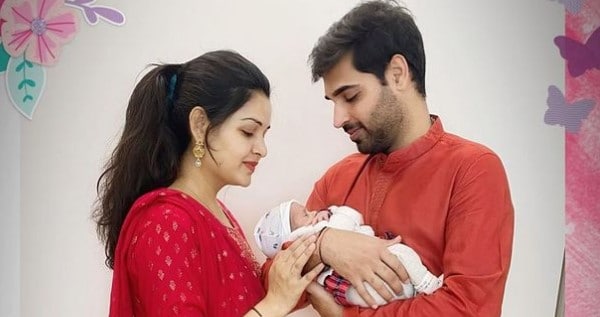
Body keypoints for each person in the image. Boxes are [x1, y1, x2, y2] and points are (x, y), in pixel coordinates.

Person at [301, 1, 515, 316]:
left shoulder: (473, 170)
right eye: (333, 101)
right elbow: (275, 275)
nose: (337, 119)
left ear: (398, 74)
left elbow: (469, 308)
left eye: (350, 97)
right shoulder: (339, 177)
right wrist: (325, 244)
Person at [93, 50, 324, 317]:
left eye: (264, 134)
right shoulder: (166, 221)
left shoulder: (217, 212)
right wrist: (274, 304)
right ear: (200, 125)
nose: (262, 149)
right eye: (248, 131)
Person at [253, 200, 443, 307]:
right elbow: (350, 218)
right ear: (290, 233)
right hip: (367, 283)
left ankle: (416, 290)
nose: (313, 212)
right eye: (305, 214)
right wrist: (334, 215)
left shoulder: (305, 238)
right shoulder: (309, 233)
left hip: (356, 293)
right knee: (401, 253)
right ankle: (428, 284)